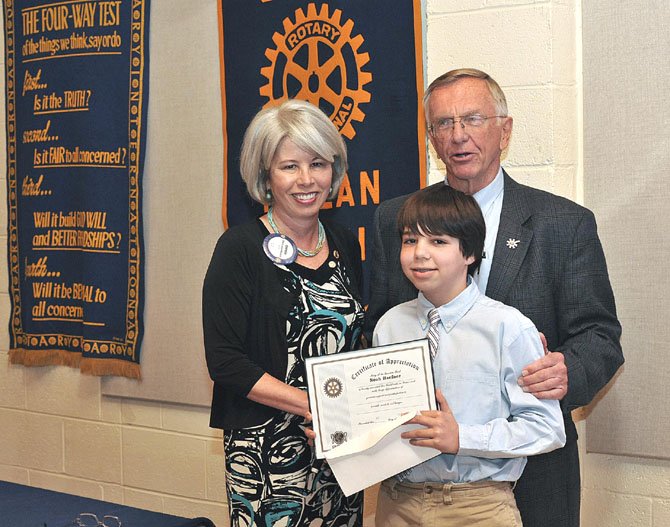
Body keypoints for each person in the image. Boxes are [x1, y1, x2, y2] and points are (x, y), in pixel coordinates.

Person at [366, 69, 623, 526]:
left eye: (473, 119)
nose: (458, 136)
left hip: (533, 471)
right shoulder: (397, 220)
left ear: (504, 130)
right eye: (444, 124)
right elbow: (382, 327)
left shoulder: (562, 223)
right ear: (431, 137)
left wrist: (568, 370)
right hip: (416, 477)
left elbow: (601, 338)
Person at [203, 99, 365, 526]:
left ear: (335, 171)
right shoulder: (238, 249)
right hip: (266, 460)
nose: (307, 180)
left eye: (318, 164)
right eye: (289, 166)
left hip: (340, 451)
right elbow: (225, 361)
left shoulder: (346, 245)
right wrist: (312, 405)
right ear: (265, 177)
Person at [373, 184, 566, 526]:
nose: (419, 253)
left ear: (470, 253)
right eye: (409, 240)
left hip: (476, 507)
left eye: (438, 241)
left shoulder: (508, 327)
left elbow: (547, 428)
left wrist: (462, 437)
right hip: (396, 503)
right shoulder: (389, 326)